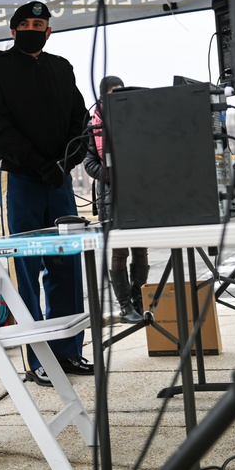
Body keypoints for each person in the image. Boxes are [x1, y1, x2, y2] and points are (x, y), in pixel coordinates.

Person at [0, 0, 91, 387]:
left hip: (60, 180)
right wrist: (38, 163)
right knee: (22, 268)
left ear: (48, 31)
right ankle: (36, 359)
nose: (31, 28)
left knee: (67, 266)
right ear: (12, 31)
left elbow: (80, 119)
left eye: (38, 23)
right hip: (21, 179)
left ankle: (70, 351)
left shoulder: (62, 68)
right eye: (23, 23)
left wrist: (67, 162)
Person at [83, 76, 146, 324]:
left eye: (120, 92)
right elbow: (89, 163)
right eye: (112, 92)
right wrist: (112, 175)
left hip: (138, 194)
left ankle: (138, 300)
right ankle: (125, 306)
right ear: (101, 96)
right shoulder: (94, 126)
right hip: (111, 196)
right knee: (120, 252)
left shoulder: (135, 121)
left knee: (141, 249)